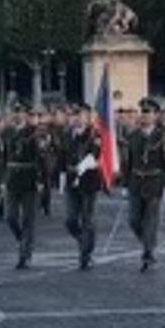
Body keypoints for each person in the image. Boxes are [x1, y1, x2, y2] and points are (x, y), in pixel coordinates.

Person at [126, 99, 165, 272]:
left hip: (154, 182)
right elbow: (129, 162)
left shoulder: (163, 137)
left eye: (148, 112)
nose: (144, 116)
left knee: (151, 221)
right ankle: (148, 244)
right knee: (134, 220)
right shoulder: (134, 136)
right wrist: (125, 185)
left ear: (155, 116)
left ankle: (148, 252)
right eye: (143, 112)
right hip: (136, 182)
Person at [3, 105, 47, 269]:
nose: (18, 116)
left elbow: (42, 158)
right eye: (16, 112)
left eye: (21, 113)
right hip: (12, 179)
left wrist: (42, 180)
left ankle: (25, 254)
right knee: (10, 217)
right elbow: (3, 157)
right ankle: (23, 240)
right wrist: (3, 179)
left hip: (29, 179)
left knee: (28, 219)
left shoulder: (35, 133)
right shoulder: (8, 132)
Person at [63, 104, 102, 270]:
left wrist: (80, 167)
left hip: (89, 181)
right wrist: (61, 177)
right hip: (72, 182)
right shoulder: (67, 134)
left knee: (88, 219)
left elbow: (95, 155)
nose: (77, 118)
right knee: (70, 220)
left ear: (88, 116)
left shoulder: (94, 134)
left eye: (81, 114)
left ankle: (86, 254)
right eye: (74, 115)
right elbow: (62, 156)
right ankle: (82, 240)